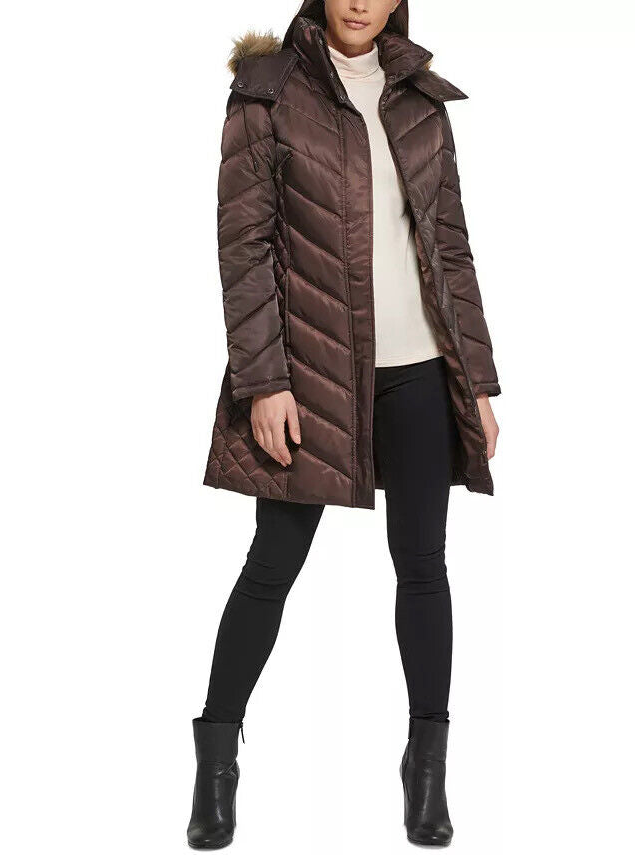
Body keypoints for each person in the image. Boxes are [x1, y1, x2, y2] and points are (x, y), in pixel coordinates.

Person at [188, 1, 500, 848]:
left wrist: (476, 381)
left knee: (423, 565)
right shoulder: (267, 91)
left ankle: (426, 769)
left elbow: (451, 248)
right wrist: (263, 380)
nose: (360, 1)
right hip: (311, 374)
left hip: (422, 372)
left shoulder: (421, 99)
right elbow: (244, 248)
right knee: (272, 564)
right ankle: (215, 760)